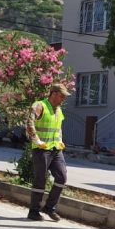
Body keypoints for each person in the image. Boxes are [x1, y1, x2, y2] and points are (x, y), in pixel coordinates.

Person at [26, 83, 69, 221]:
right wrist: (37, 140)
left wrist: (60, 139)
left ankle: (49, 207)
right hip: (41, 149)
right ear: (54, 93)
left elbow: (58, 128)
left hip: (56, 149)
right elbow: (29, 123)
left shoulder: (58, 110)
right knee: (40, 180)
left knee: (62, 177)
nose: (63, 99)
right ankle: (34, 211)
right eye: (62, 96)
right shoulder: (39, 105)